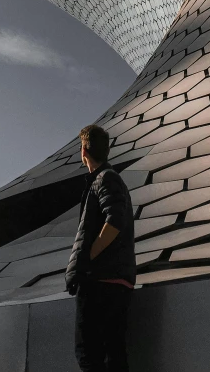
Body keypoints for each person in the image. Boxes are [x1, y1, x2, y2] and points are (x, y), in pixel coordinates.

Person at [65, 124, 136, 372]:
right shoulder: (106, 180)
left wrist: (89, 259)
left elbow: (115, 220)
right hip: (114, 281)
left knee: (89, 354)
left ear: (84, 150)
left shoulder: (105, 179)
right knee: (113, 356)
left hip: (100, 282)